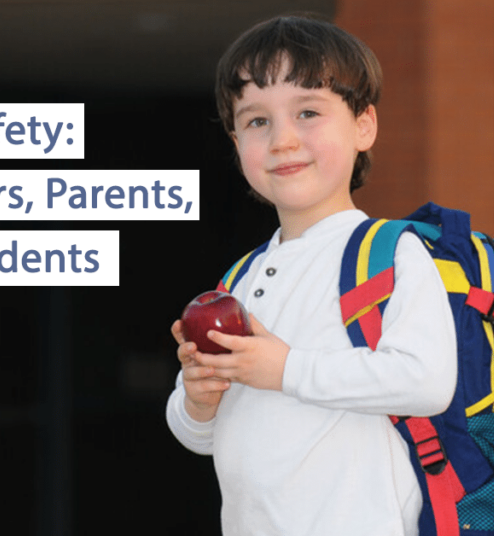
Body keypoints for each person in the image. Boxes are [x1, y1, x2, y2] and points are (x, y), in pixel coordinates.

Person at [165, 15, 458, 536]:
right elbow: (201, 437)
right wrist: (198, 397)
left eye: (307, 112)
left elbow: (427, 381)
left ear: (364, 126)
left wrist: (285, 369)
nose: (282, 140)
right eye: (257, 121)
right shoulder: (240, 278)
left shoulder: (390, 254)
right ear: (236, 144)